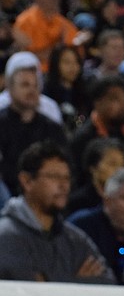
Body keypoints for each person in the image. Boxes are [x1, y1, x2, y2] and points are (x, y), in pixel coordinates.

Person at [0, 140, 114, 283]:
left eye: (66, 178)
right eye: (54, 177)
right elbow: (28, 293)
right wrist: (76, 281)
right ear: (27, 181)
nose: (63, 185)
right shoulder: (6, 236)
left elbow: (107, 282)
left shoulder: (75, 239)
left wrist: (49, 281)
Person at [0, 50, 67, 196]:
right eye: (25, 85)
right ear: (10, 88)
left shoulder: (51, 127)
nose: (31, 90)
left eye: (35, 85)